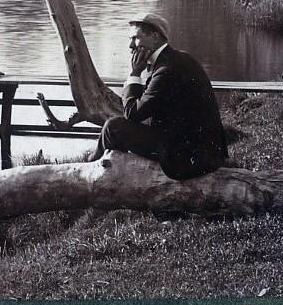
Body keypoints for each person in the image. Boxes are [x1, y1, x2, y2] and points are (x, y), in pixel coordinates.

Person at [95, 12, 228, 180]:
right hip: (202, 150)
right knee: (117, 127)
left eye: (135, 38)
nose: (130, 46)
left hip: (186, 157)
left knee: (113, 128)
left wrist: (135, 73)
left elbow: (132, 113)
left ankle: (93, 175)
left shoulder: (166, 69)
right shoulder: (178, 59)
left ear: (156, 37)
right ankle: (109, 173)